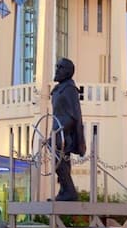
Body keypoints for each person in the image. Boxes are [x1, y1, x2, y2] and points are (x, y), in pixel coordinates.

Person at [49, 58, 85, 201]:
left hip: (64, 133)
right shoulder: (59, 89)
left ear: (68, 71)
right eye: (57, 66)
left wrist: (60, 132)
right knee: (59, 163)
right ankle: (64, 190)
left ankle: (69, 191)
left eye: (61, 67)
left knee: (59, 162)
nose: (57, 70)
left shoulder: (69, 90)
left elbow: (73, 115)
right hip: (57, 130)